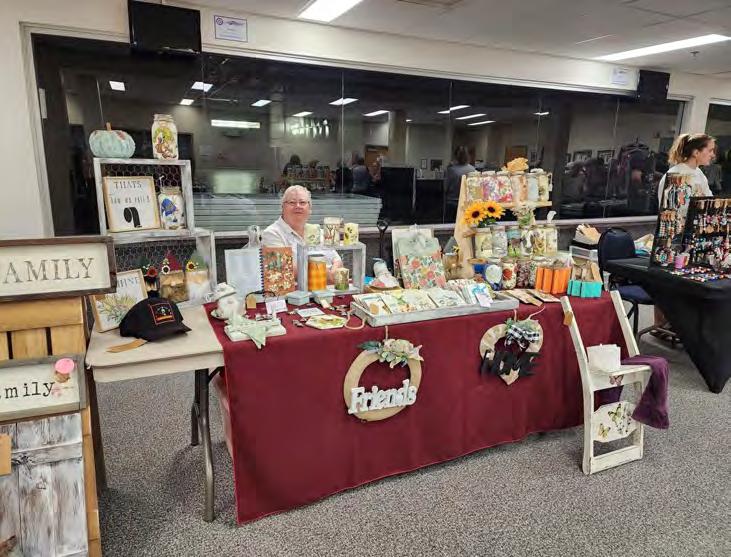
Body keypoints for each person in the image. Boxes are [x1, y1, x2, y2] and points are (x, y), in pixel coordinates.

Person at [261, 185, 342, 279]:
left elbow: (338, 261)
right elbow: (283, 268)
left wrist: (333, 274)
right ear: (282, 207)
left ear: (310, 209)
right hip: (297, 288)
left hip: (329, 286)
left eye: (302, 202)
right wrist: (326, 273)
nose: (298, 206)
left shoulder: (319, 232)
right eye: (292, 202)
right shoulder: (272, 234)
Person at [657, 133, 716, 206]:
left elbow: (709, 201)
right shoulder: (677, 174)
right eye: (710, 151)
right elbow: (675, 208)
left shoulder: (699, 173)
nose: (713, 155)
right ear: (696, 153)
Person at [444, 146, 476, 221]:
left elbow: (445, 187)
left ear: (455, 156)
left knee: (450, 225)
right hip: (467, 203)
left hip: (453, 202)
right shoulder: (473, 169)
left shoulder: (451, 170)